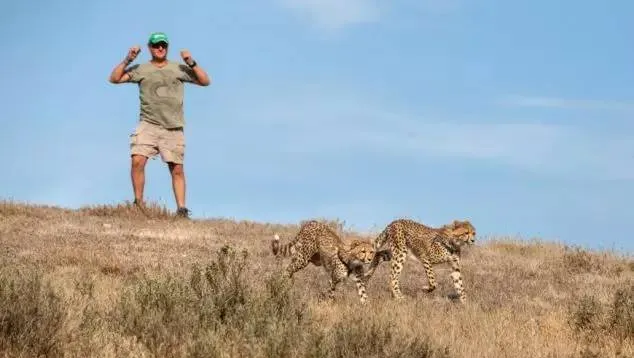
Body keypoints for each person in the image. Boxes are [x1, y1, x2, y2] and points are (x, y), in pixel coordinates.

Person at [108, 32, 211, 218]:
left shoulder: (178, 68)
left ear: (167, 47)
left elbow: (205, 81)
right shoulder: (142, 69)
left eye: (163, 45)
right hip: (148, 124)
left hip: (173, 127)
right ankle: (138, 204)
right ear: (150, 48)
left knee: (177, 169)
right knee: (137, 160)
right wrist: (128, 59)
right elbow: (114, 79)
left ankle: (181, 210)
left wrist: (191, 62)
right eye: (156, 45)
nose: (160, 48)